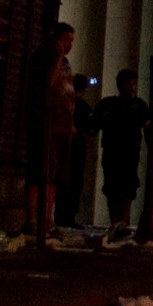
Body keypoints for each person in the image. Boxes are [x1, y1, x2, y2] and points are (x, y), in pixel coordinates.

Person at [23, 24, 77, 235]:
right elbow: (46, 86)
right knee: (39, 172)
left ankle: (47, 218)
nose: (69, 45)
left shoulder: (65, 63)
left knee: (55, 176)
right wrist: (56, 58)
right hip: (43, 125)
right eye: (65, 40)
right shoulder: (43, 59)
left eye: (71, 41)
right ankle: (32, 219)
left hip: (61, 127)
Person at [91, 70, 150, 238]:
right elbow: (94, 124)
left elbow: (147, 127)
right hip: (112, 149)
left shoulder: (139, 105)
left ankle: (122, 221)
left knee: (128, 185)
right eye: (129, 83)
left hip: (130, 150)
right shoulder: (108, 104)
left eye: (133, 83)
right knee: (112, 185)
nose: (132, 87)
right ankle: (115, 221)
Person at [56, 74, 93, 228]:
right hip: (77, 148)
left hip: (64, 145)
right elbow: (89, 130)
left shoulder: (65, 103)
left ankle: (59, 214)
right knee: (75, 181)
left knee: (63, 180)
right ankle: (69, 215)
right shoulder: (83, 107)